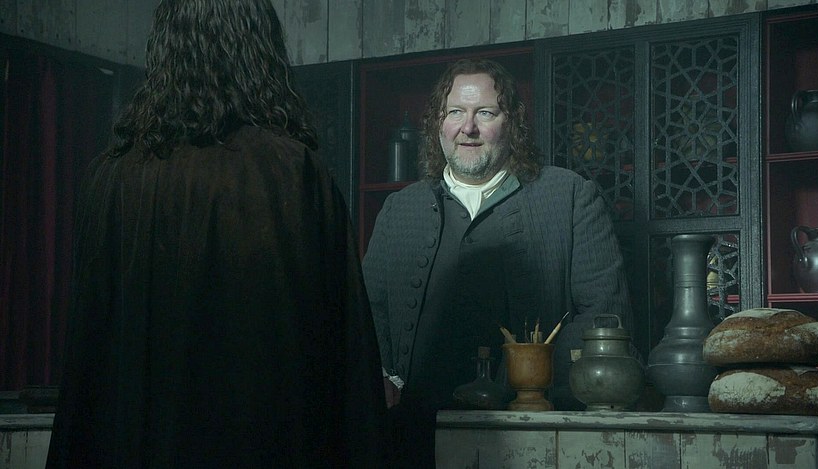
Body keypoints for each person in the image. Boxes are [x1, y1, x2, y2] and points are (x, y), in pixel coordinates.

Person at [46, 1, 388, 467]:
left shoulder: (109, 176)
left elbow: (88, 366)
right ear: (259, 50)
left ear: (165, 51)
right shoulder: (290, 171)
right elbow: (344, 359)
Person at [362, 58, 635, 467]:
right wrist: (385, 377)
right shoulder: (399, 209)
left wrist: (532, 383)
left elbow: (604, 314)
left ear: (513, 122)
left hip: (534, 437)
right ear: (439, 123)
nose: (468, 127)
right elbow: (369, 313)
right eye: (456, 112)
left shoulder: (570, 196)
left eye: (485, 113)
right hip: (412, 435)